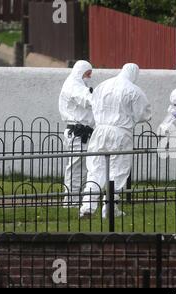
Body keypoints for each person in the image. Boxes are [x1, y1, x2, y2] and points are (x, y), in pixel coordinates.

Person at [80, 63, 152, 219]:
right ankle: (111, 208)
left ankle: (87, 206)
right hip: (120, 132)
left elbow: (94, 105)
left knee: (96, 168)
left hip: (100, 131)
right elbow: (144, 114)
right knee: (118, 169)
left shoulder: (102, 86)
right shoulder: (133, 90)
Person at [59, 60, 95, 206]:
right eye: (87, 74)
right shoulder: (74, 85)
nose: (89, 77)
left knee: (80, 168)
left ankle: (75, 198)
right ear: (81, 72)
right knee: (75, 168)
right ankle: (70, 201)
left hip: (82, 132)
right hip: (78, 133)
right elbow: (86, 100)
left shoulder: (78, 85)